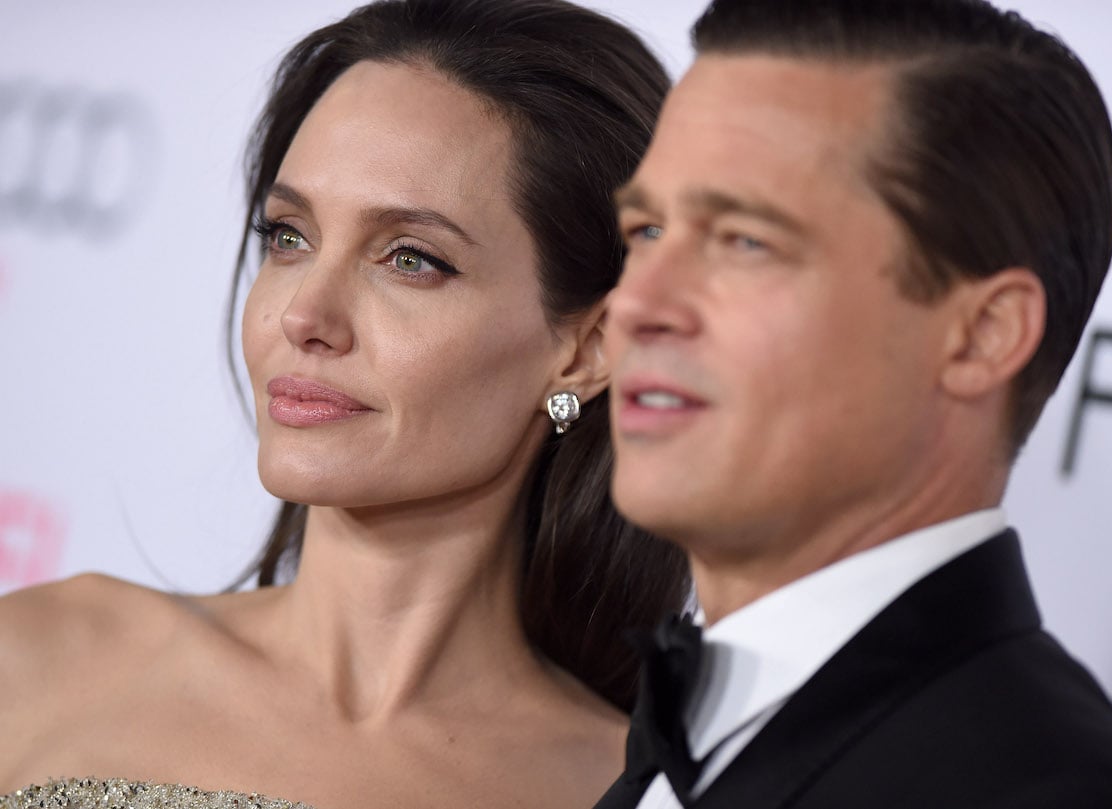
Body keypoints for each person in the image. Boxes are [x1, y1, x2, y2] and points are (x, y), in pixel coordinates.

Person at [0, 2, 688, 808]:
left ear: (586, 349)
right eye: (289, 236)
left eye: (409, 258)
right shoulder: (41, 658)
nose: (304, 316)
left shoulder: (626, 789)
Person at [595, 0, 1112, 807]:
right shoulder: (675, 732)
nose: (635, 304)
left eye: (745, 241)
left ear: (981, 336)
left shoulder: (1052, 792)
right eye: (646, 233)